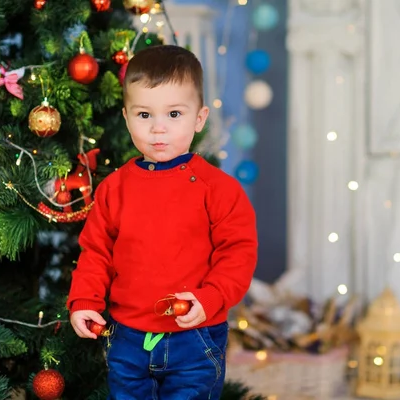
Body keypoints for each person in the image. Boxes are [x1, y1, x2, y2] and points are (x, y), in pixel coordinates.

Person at [67, 44, 258, 400]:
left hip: (194, 338)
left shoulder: (218, 189)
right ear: (126, 117)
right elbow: (96, 251)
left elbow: (238, 253)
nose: (158, 129)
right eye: (144, 115)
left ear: (199, 119)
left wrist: (212, 297)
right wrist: (85, 300)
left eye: (173, 114)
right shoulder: (115, 188)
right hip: (127, 337)